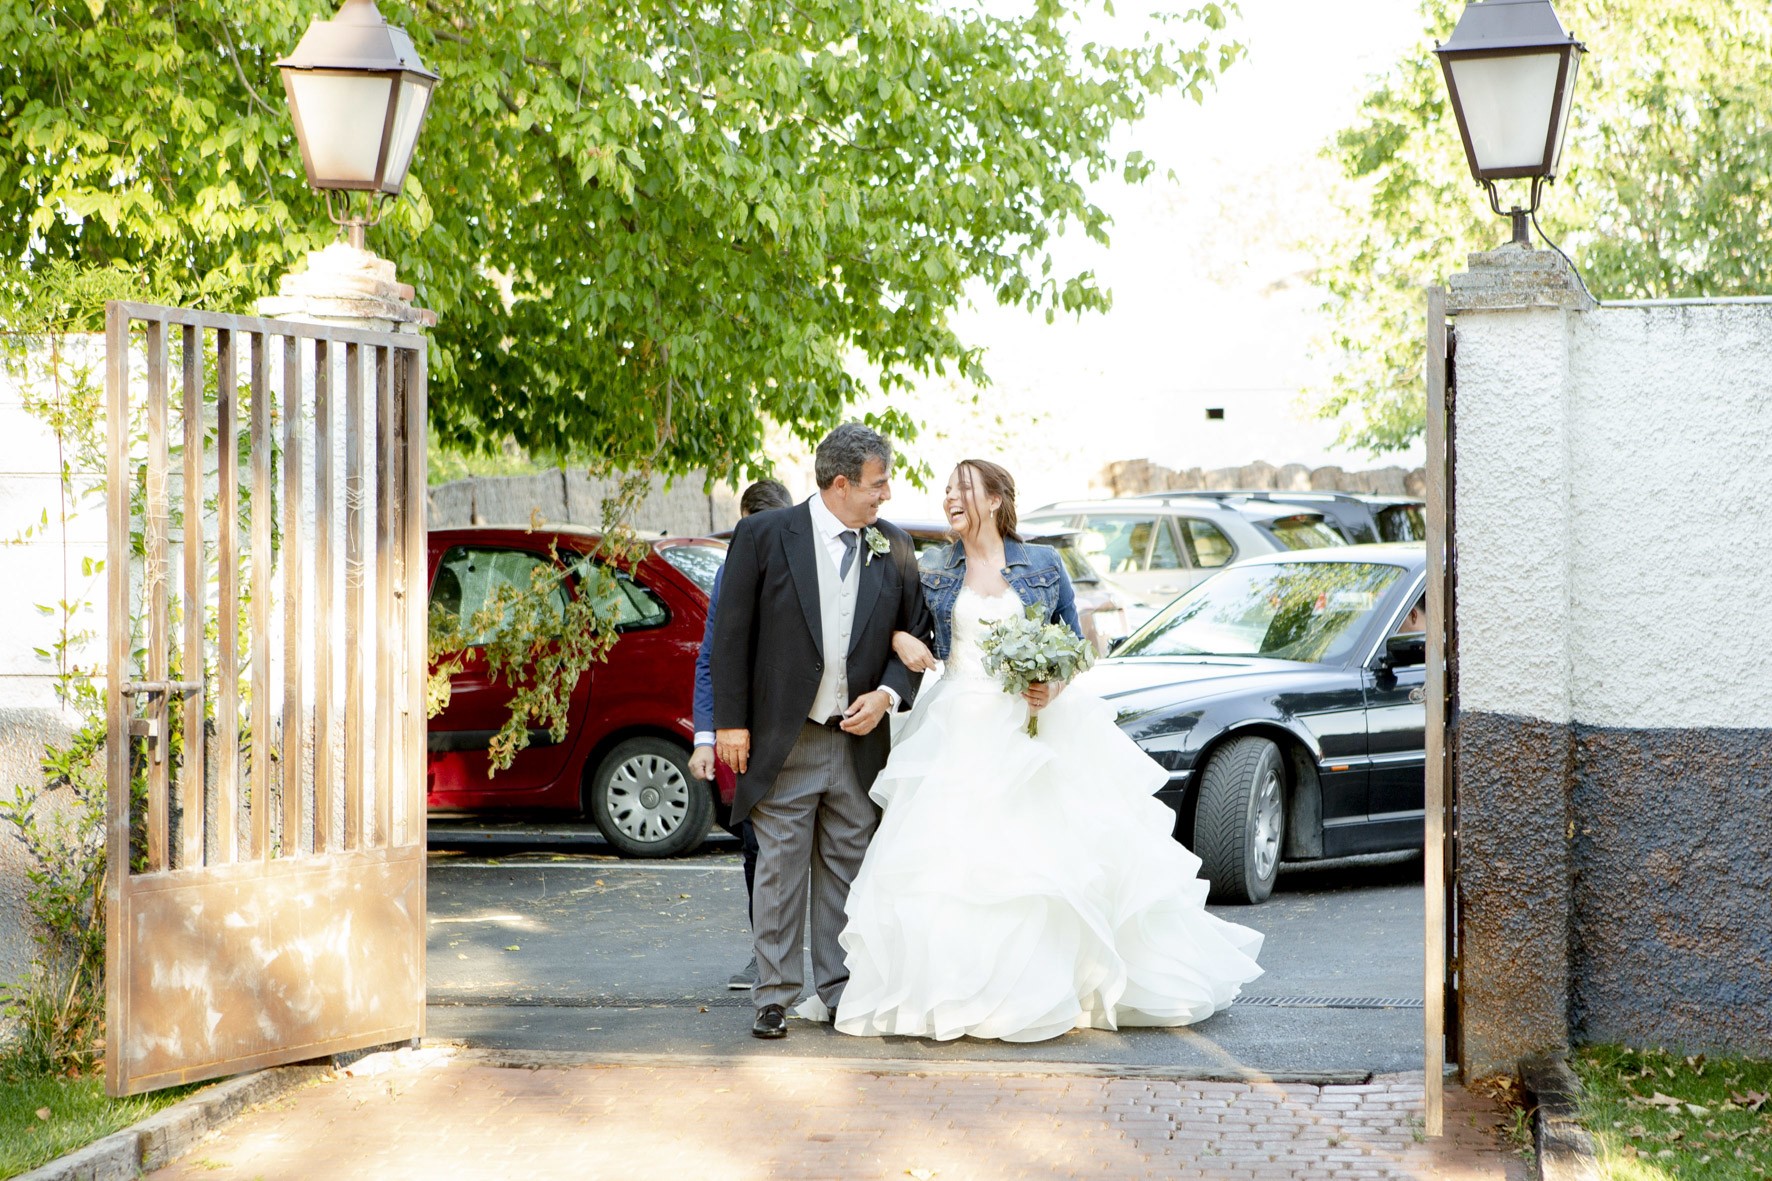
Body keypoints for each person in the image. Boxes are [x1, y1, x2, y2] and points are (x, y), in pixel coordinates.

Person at [831, 459, 1264, 1043]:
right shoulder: (933, 568)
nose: (949, 500)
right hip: (957, 727)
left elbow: (1075, 646)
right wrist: (902, 637)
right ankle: (959, 990)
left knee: (1052, 859)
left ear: (996, 498)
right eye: (946, 492)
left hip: (1036, 725)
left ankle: (1063, 986)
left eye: (962, 491)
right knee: (957, 865)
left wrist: (1051, 684)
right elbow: (902, 629)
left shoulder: (1042, 564)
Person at [712, 423, 933, 1040]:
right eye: (877, 483)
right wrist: (730, 722)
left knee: (848, 867)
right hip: (787, 737)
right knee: (779, 869)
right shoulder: (762, 535)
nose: (885, 495)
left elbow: (915, 634)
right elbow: (732, 634)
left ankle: (840, 992)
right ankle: (774, 995)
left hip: (858, 741)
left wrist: (888, 694)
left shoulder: (894, 545)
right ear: (841, 484)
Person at [689, 477, 793, 991]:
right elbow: (711, 658)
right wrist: (705, 736)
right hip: (751, 737)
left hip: (813, 730)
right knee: (756, 846)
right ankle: (765, 955)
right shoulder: (731, 570)